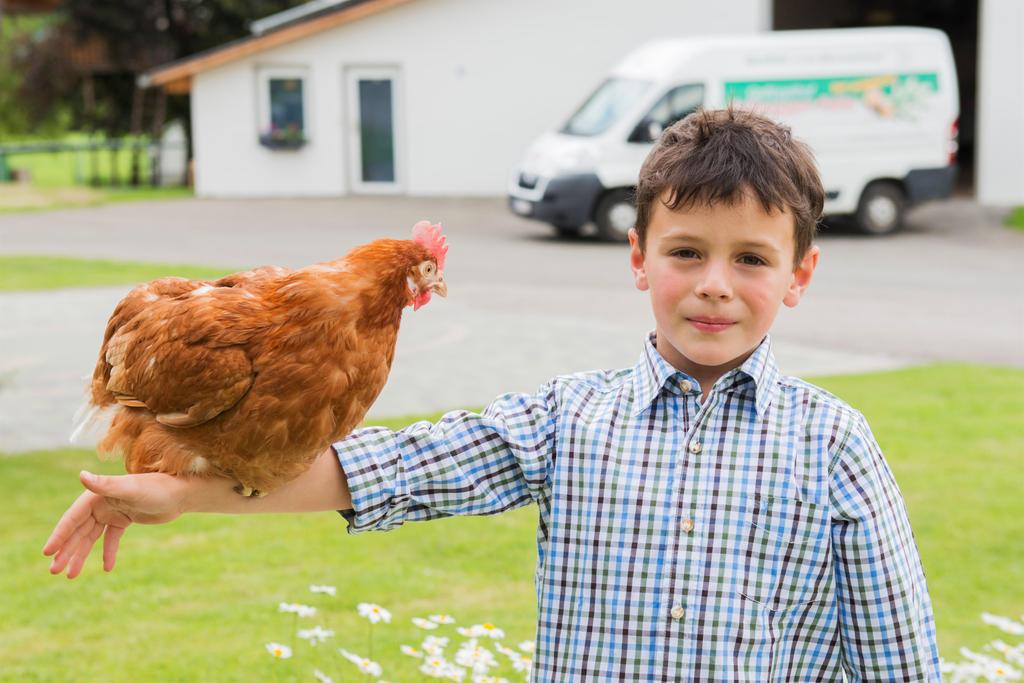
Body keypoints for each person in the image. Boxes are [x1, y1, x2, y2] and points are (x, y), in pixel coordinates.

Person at [43, 107, 940, 681]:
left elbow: (897, 656)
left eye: (750, 259)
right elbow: (389, 470)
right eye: (685, 252)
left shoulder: (836, 445)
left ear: (799, 274)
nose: (714, 283)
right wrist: (180, 492)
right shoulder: (569, 419)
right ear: (639, 261)